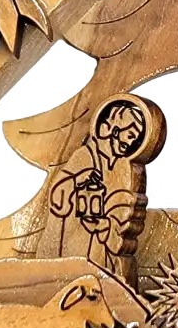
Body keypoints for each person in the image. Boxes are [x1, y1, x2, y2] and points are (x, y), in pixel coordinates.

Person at [35, 100, 147, 279]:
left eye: (135, 138)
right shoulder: (85, 156)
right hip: (73, 239)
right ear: (114, 130)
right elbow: (58, 195)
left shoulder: (123, 167)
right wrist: (78, 181)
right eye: (130, 135)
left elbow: (121, 208)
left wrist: (107, 224)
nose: (131, 141)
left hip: (100, 244)